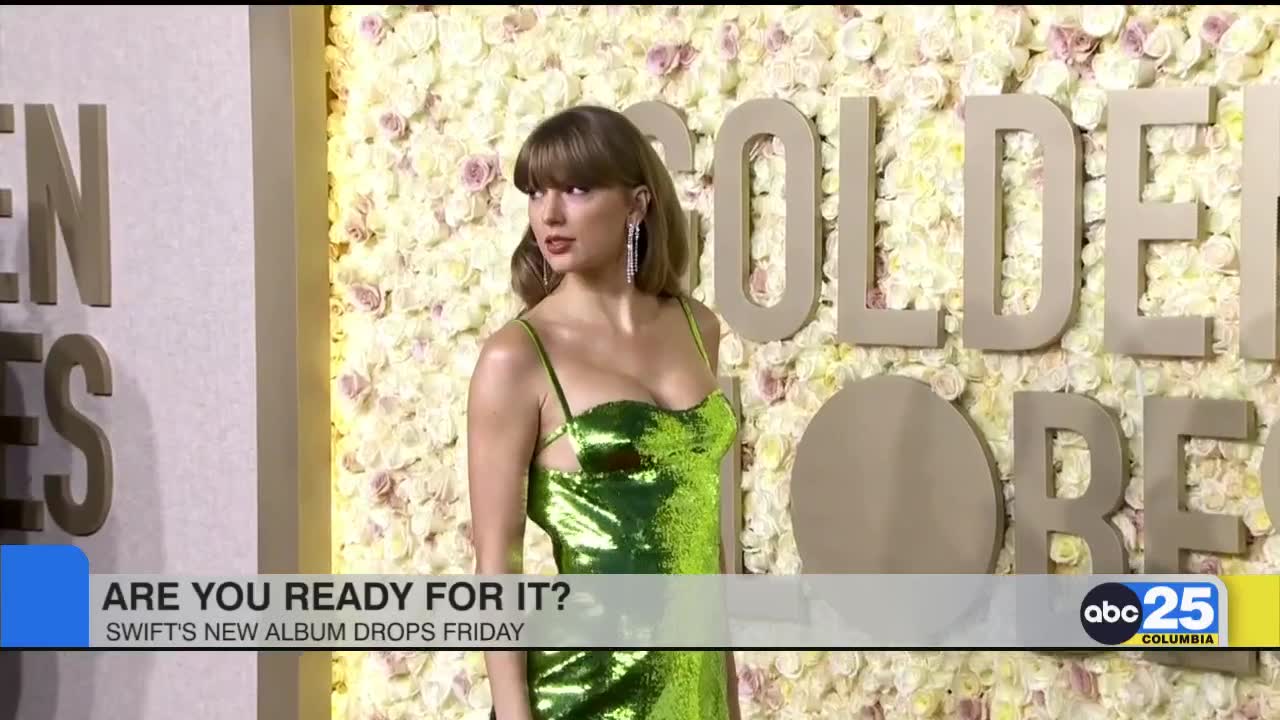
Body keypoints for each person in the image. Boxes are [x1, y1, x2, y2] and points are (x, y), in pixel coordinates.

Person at [466, 104, 741, 720]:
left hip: (692, 693)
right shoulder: (517, 357)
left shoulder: (699, 328)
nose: (549, 214)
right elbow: (497, 566)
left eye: (577, 189)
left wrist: (726, 696)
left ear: (637, 204)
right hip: (577, 693)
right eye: (536, 192)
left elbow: (703, 538)